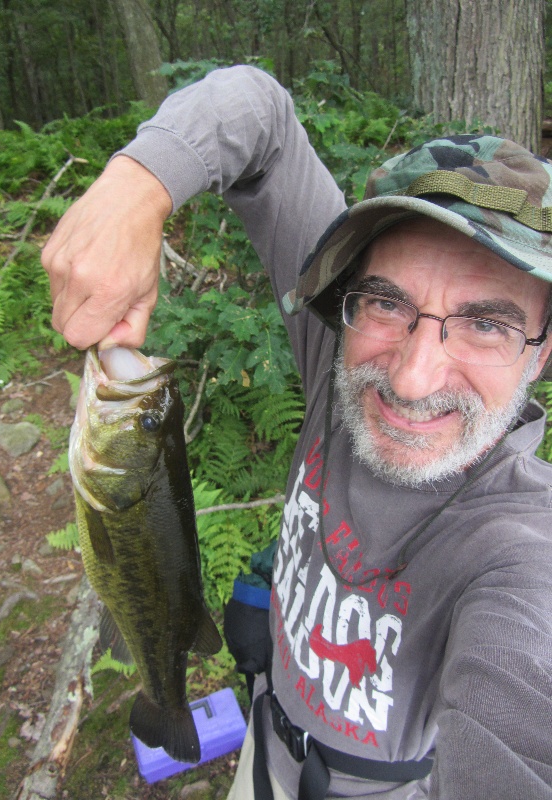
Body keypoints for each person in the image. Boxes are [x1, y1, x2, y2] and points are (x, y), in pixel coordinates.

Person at [42, 66, 552, 799]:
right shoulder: (338, 365)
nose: (411, 378)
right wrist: (136, 190)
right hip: (263, 751)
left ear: (543, 348)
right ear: (346, 300)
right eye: (384, 301)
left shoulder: (525, 551)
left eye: (487, 322)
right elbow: (261, 120)